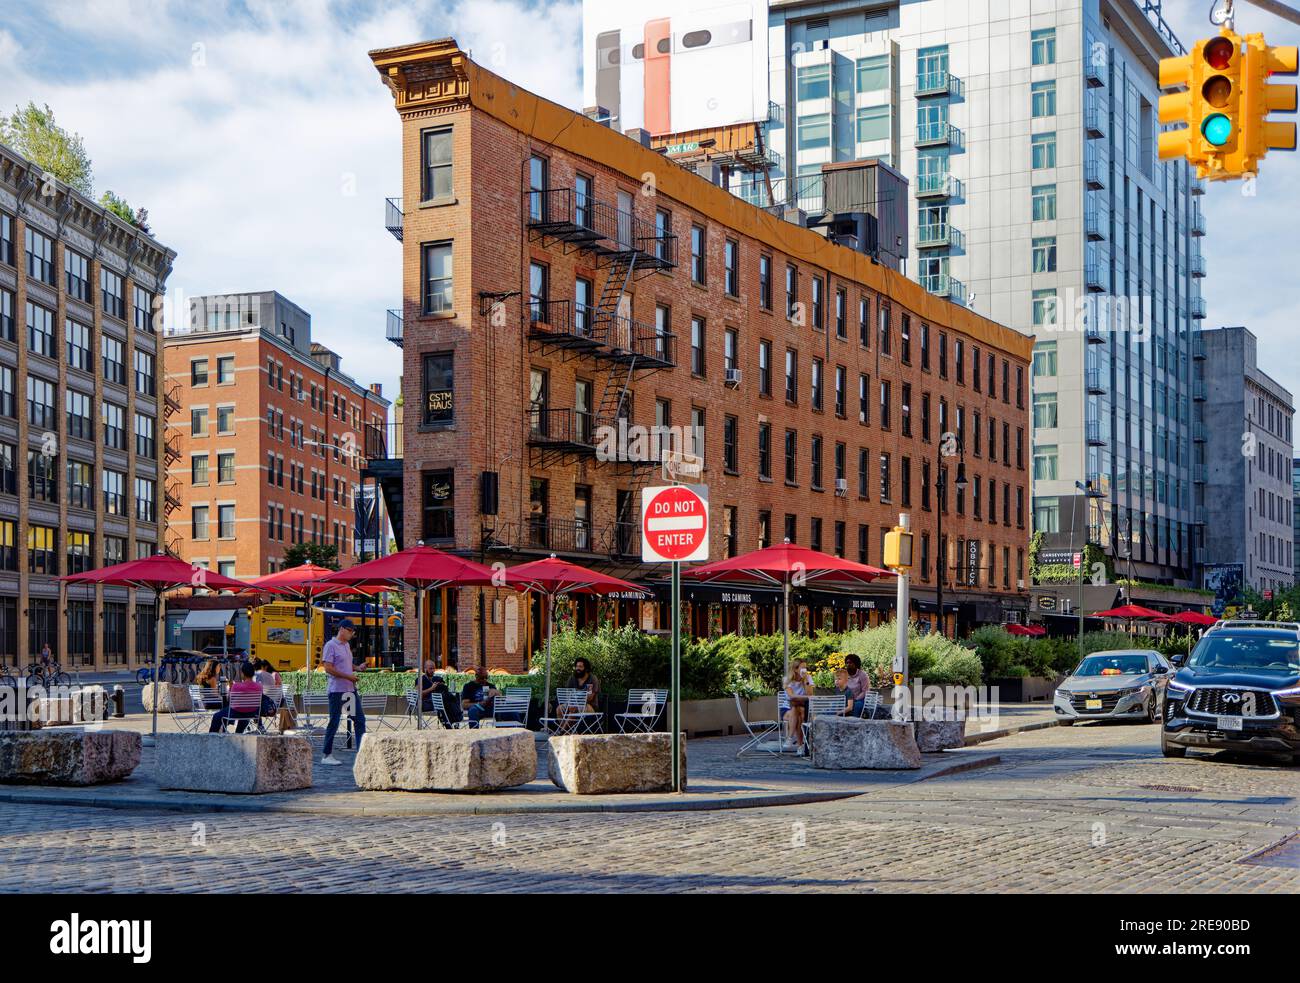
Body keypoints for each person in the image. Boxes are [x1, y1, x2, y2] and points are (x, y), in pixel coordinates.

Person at [320, 619, 365, 764]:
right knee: (334, 721)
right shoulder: (330, 645)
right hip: (337, 691)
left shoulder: (346, 645)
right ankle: (326, 755)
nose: (352, 634)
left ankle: (362, 753)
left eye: (353, 631)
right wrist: (349, 677)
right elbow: (328, 668)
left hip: (349, 691)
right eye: (350, 631)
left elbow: (345, 664)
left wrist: (357, 668)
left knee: (359, 720)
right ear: (342, 629)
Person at [208, 662, 262, 733]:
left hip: (236, 712)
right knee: (245, 715)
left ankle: (211, 736)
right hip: (252, 713)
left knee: (217, 716)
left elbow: (230, 700)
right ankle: (238, 733)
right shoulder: (259, 686)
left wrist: (231, 688)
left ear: (243, 673)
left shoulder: (236, 686)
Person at [784, 659, 813, 755]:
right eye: (802, 667)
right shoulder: (787, 680)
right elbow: (791, 696)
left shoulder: (808, 678)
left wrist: (805, 680)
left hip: (802, 709)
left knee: (798, 712)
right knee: (796, 709)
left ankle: (790, 738)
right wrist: (805, 698)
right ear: (796, 669)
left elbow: (810, 694)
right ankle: (800, 746)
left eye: (806, 667)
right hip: (787, 709)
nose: (805, 670)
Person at [418, 660, 461, 725]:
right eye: (430, 668)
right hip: (426, 703)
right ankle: (453, 721)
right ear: (425, 669)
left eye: (433, 668)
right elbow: (418, 694)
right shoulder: (420, 679)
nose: (432, 670)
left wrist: (441, 684)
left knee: (452, 697)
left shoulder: (437, 678)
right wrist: (431, 688)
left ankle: (451, 721)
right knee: (448, 701)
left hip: (438, 701)